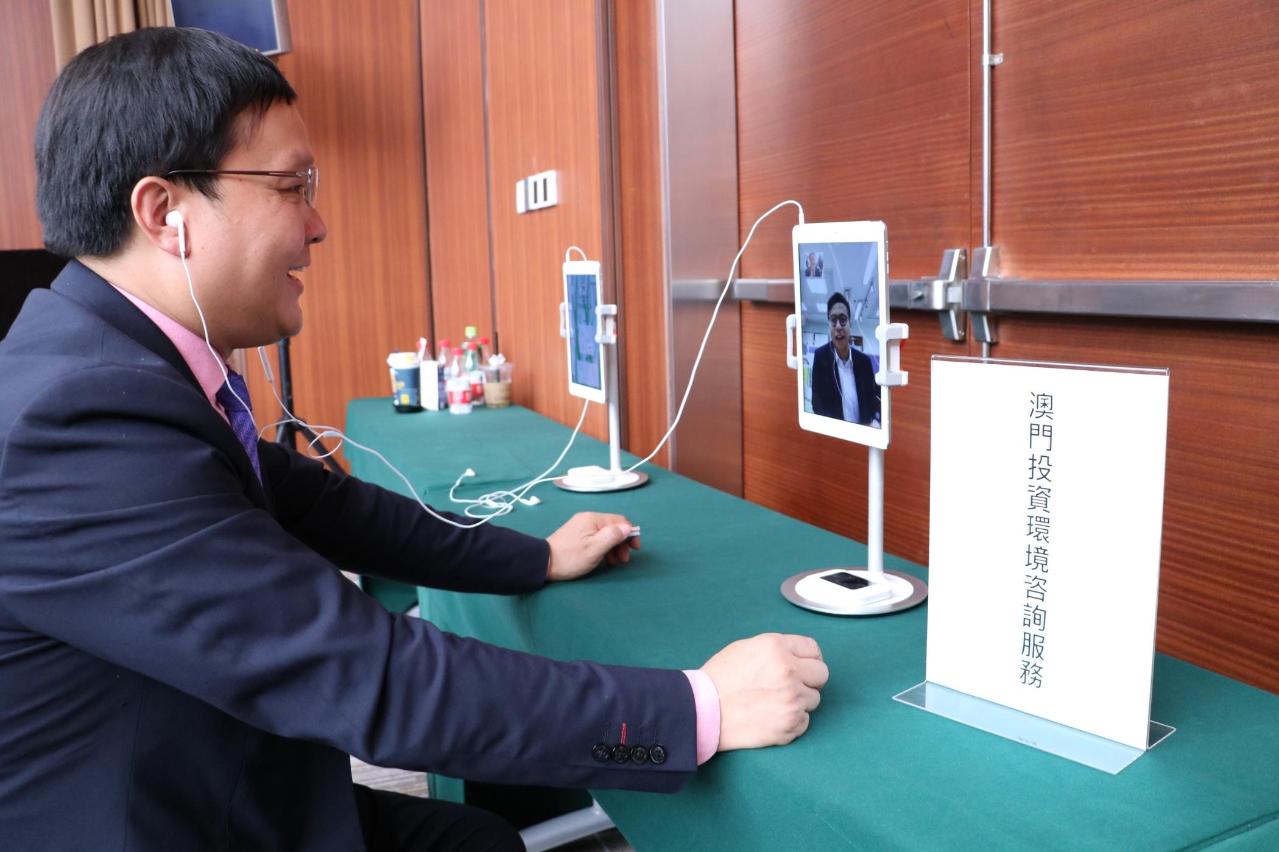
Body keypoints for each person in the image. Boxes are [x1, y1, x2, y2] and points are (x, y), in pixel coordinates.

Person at [0, 28, 829, 851]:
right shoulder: (77, 422)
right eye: (291, 187)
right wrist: (692, 714)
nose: (317, 224)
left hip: (226, 783)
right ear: (163, 212)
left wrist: (534, 558)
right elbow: (364, 677)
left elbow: (323, 505)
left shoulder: (111, 363)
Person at [810, 292, 880, 426]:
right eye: (833, 320)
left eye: (843, 319)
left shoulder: (864, 362)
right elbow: (817, 403)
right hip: (835, 433)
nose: (838, 326)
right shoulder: (820, 357)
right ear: (829, 325)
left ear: (850, 324)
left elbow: (872, 399)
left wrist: (873, 422)